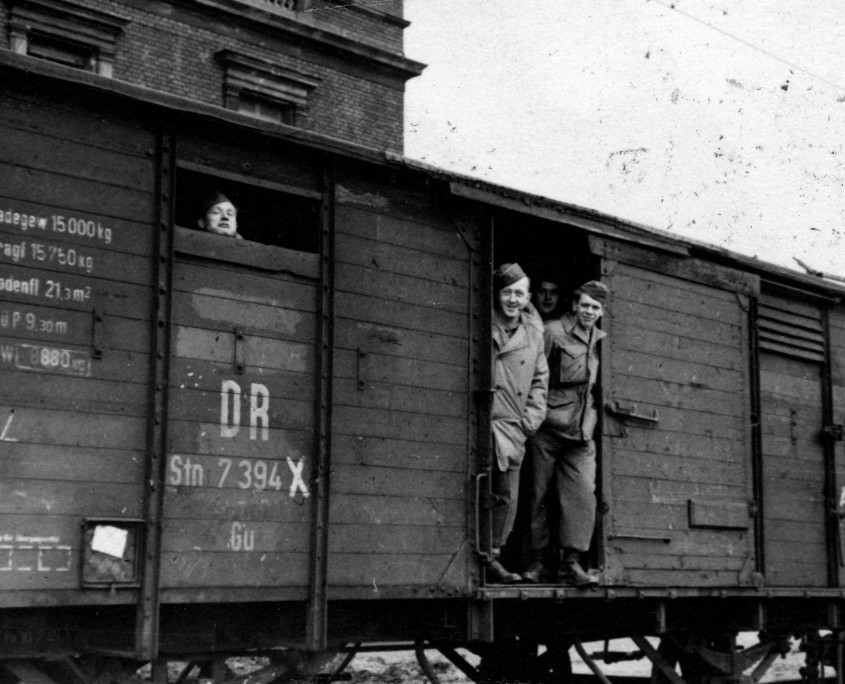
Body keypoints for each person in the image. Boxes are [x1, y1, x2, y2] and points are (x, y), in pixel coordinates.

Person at [522, 280, 608, 587]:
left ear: (601, 312)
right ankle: (538, 561)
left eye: (595, 308)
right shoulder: (552, 331)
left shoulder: (600, 339)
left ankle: (571, 562)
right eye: (584, 305)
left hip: (582, 431)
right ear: (574, 305)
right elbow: (531, 373)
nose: (589, 311)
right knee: (539, 494)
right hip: (547, 427)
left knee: (583, 494)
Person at [488, 263, 549, 583]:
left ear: (527, 297)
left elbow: (540, 379)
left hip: (513, 425)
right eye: (507, 292)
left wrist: (530, 420)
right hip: (484, 420)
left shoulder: (533, 332)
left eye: (519, 294)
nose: (513, 300)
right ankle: (481, 556)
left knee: (506, 496)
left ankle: (494, 556)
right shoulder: (484, 322)